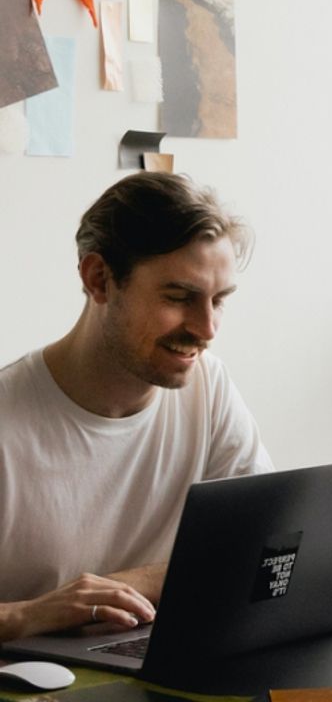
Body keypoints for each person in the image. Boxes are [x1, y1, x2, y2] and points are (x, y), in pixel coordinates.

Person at [0, 172, 272, 643]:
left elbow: (259, 548)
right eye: (179, 298)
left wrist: (122, 587)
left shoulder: (209, 387)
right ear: (98, 279)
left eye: (219, 301)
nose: (207, 329)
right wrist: (26, 616)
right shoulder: (10, 420)